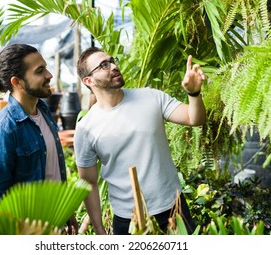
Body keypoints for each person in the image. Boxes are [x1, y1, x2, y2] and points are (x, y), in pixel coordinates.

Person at [74, 47, 207, 235]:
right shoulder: (86, 127)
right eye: (104, 65)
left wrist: (194, 94)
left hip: (173, 209)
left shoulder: (151, 97)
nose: (113, 66)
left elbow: (195, 119)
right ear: (88, 81)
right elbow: (88, 183)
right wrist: (99, 229)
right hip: (127, 220)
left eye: (112, 61)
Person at [0, 43, 77, 234]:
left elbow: (52, 170)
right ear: (17, 82)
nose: (49, 75)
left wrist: (66, 210)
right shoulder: (1, 132)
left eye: (46, 67)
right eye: (40, 71)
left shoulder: (43, 111)